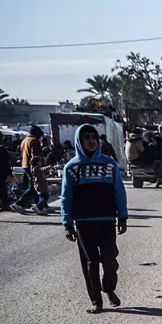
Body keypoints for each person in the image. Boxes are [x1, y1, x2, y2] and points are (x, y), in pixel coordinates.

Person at [60, 123, 128, 314]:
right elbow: (66, 197)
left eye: (94, 137)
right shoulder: (71, 168)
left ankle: (109, 288)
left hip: (107, 221)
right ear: (79, 141)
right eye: (86, 138)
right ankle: (96, 301)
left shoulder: (109, 164)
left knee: (109, 260)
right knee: (90, 263)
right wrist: (67, 224)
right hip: (83, 223)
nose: (91, 141)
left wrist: (122, 217)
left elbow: (119, 192)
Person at [0, 138, 12, 211]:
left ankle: (4, 204)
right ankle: (4, 204)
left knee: (2, 190)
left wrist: (8, 173)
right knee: (1, 189)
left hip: (1, 174)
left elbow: (5, 164)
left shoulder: (0, 153)